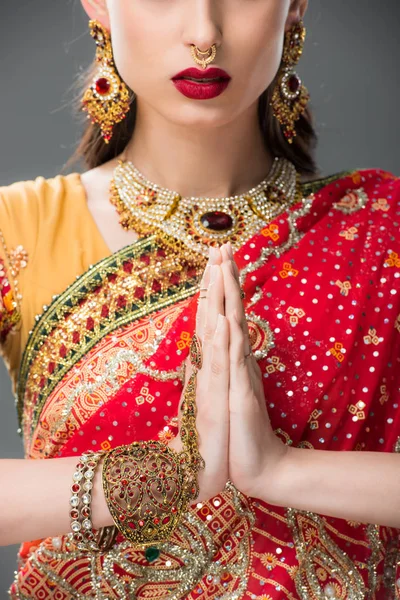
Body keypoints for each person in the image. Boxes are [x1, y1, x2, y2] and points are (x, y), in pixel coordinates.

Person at [0, 0, 399, 597]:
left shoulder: (381, 228)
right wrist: (158, 478)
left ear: (295, 5)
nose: (204, 34)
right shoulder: (15, 231)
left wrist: (283, 469)